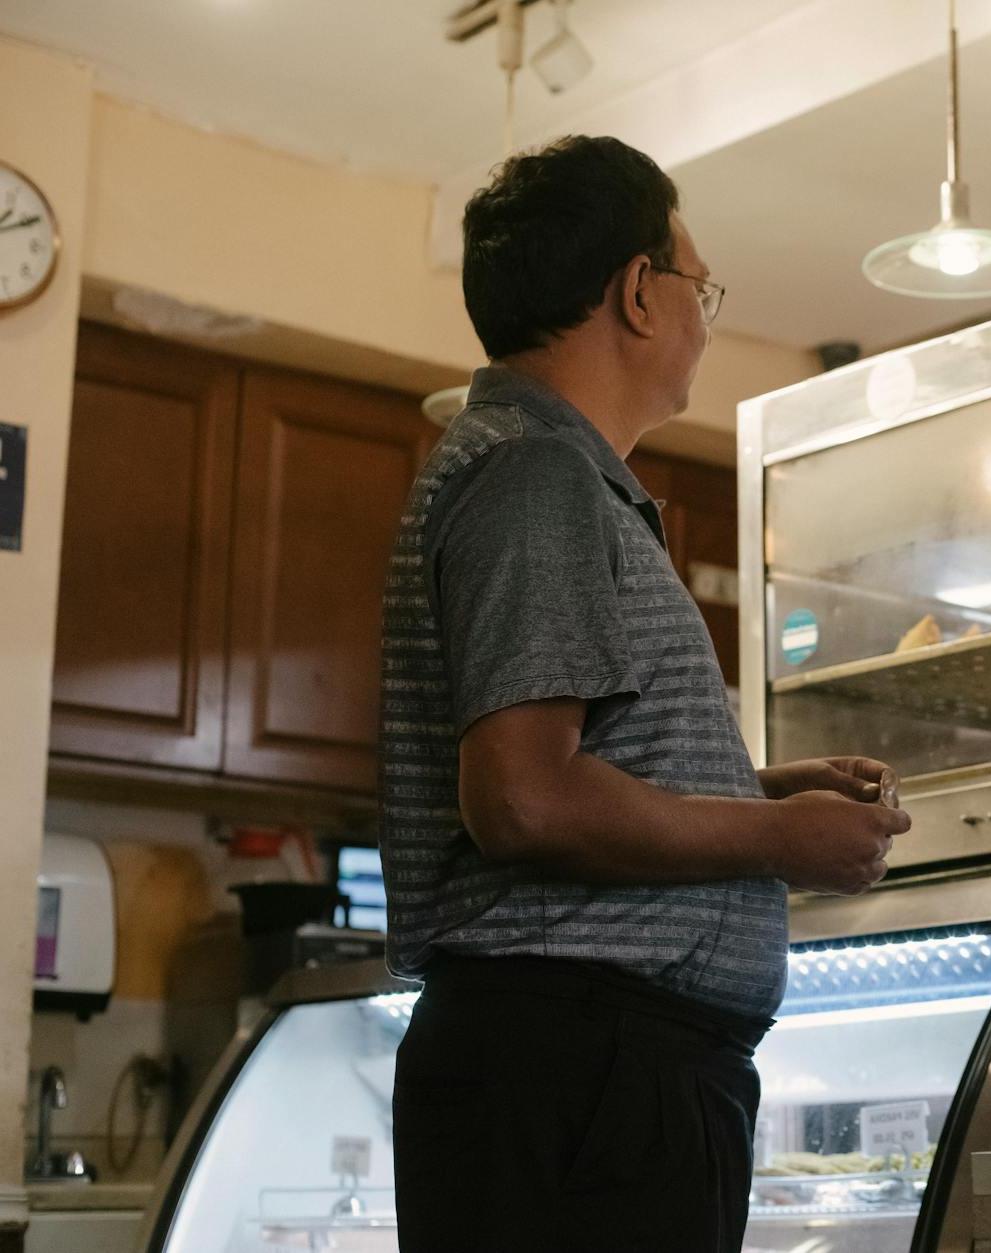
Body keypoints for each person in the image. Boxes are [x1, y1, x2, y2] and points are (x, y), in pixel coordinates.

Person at [378, 135, 911, 1253]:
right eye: (697, 286)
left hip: (587, 1068)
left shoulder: (543, 471)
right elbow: (522, 799)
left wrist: (759, 786)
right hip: (588, 1069)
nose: (704, 319)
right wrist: (775, 836)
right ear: (635, 291)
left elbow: (560, 769)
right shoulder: (537, 473)